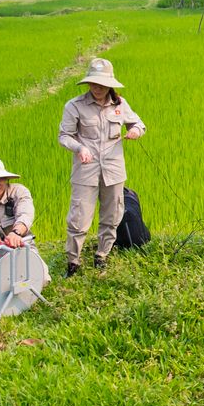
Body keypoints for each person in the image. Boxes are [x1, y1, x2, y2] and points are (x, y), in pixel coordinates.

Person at [58, 57, 145, 276]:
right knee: (79, 218)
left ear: (110, 85)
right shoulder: (75, 105)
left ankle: (102, 255)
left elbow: (138, 123)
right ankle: (73, 262)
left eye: (102, 84)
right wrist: (79, 148)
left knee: (112, 215)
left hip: (114, 170)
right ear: (88, 83)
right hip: (85, 169)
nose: (97, 88)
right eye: (93, 83)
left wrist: (135, 131)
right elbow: (64, 136)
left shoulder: (120, 105)